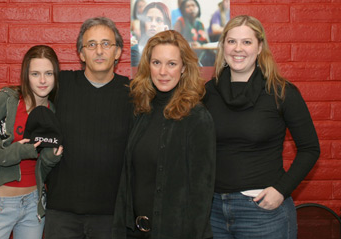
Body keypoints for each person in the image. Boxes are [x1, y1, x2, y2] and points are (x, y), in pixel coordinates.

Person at [0, 17, 134, 239]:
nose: (99, 50)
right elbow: (31, 87)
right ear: (81, 53)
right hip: (61, 213)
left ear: (118, 52)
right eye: (91, 44)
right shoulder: (62, 85)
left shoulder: (134, 93)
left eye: (107, 44)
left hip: (111, 216)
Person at [203, 15, 320, 238]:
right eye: (231, 41)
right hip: (214, 211)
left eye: (247, 42)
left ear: (259, 47)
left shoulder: (281, 92)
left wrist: (281, 190)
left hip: (263, 212)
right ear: (223, 46)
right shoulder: (208, 92)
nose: (238, 49)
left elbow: (310, 149)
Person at [113, 30, 216, 239]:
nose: (163, 71)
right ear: (147, 66)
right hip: (134, 232)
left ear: (184, 68)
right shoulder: (141, 110)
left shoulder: (197, 117)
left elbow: (201, 194)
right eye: (156, 62)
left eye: (171, 64)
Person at [0, 45, 63, 239]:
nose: (42, 80)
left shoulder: (54, 110)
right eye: (35, 74)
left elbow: (46, 165)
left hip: (34, 204)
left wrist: (51, 158)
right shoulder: (5, 101)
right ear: (26, 75)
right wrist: (17, 152)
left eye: (48, 73)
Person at [174, 0, 215, 66]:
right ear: (183, 9)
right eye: (188, 6)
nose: (191, 8)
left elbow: (206, 41)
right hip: (187, 55)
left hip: (202, 53)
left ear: (198, 8)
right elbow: (175, 41)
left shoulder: (200, 23)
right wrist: (190, 44)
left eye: (193, 5)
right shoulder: (180, 22)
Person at [131, 2, 171, 67]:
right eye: (149, 19)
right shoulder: (135, 51)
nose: (153, 24)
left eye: (158, 20)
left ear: (166, 25)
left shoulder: (174, 50)